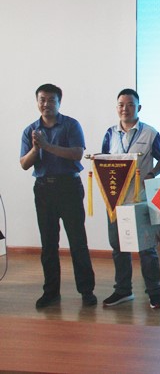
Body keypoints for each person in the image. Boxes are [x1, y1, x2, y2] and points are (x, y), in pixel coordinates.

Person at [20, 83, 96, 308]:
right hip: (44, 189)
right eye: (42, 99)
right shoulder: (30, 130)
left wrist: (46, 145)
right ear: (37, 102)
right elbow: (24, 164)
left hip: (69, 187)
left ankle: (86, 291)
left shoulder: (71, 125)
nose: (46, 104)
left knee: (77, 242)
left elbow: (77, 154)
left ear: (59, 102)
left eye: (51, 100)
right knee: (48, 244)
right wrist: (36, 148)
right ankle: (51, 292)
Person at [100, 89, 160, 309]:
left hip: (141, 198)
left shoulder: (150, 133)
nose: (125, 109)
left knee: (147, 247)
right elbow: (103, 162)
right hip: (116, 199)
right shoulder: (110, 133)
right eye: (121, 104)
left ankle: (154, 292)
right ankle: (123, 290)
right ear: (116, 107)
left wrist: (152, 174)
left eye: (130, 104)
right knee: (118, 246)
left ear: (139, 107)